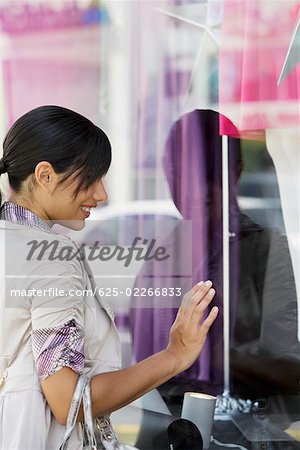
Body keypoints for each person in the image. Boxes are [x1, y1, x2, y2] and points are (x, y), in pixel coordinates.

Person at [0, 105, 218, 450]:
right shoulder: (49, 258)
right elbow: (68, 401)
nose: (102, 195)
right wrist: (175, 355)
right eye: (91, 178)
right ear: (45, 175)